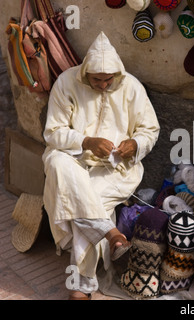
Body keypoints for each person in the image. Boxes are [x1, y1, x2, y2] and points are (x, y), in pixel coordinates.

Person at [42, 31, 160, 300]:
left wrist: (136, 144)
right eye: (97, 80)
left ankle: (80, 289)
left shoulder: (131, 87)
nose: (104, 85)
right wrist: (86, 141)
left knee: (85, 200)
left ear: (117, 75)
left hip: (116, 169)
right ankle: (111, 233)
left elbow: (150, 130)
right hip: (73, 161)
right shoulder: (66, 83)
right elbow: (52, 133)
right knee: (58, 161)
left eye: (109, 80)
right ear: (85, 74)